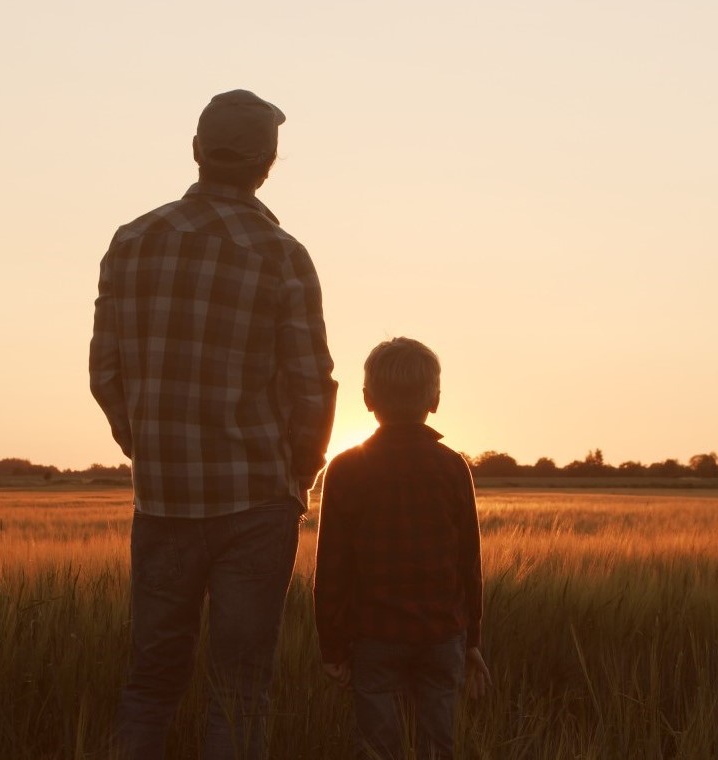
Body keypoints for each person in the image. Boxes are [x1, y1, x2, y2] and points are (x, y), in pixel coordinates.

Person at [90, 89, 338, 760]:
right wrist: (301, 469)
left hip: (162, 500)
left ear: (197, 151)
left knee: (149, 681)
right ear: (268, 163)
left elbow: (105, 372)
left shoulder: (132, 241)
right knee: (239, 688)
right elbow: (312, 382)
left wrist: (145, 448)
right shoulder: (281, 254)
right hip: (257, 499)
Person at [313, 337, 490, 760]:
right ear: (436, 399)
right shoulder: (452, 467)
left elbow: (331, 569)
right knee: (437, 746)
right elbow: (470, 564)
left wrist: (332, 648)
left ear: (367, 399)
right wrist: (471, 642)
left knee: (378, 748)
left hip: (374, 637)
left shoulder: (345, 468)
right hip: (441, 636)